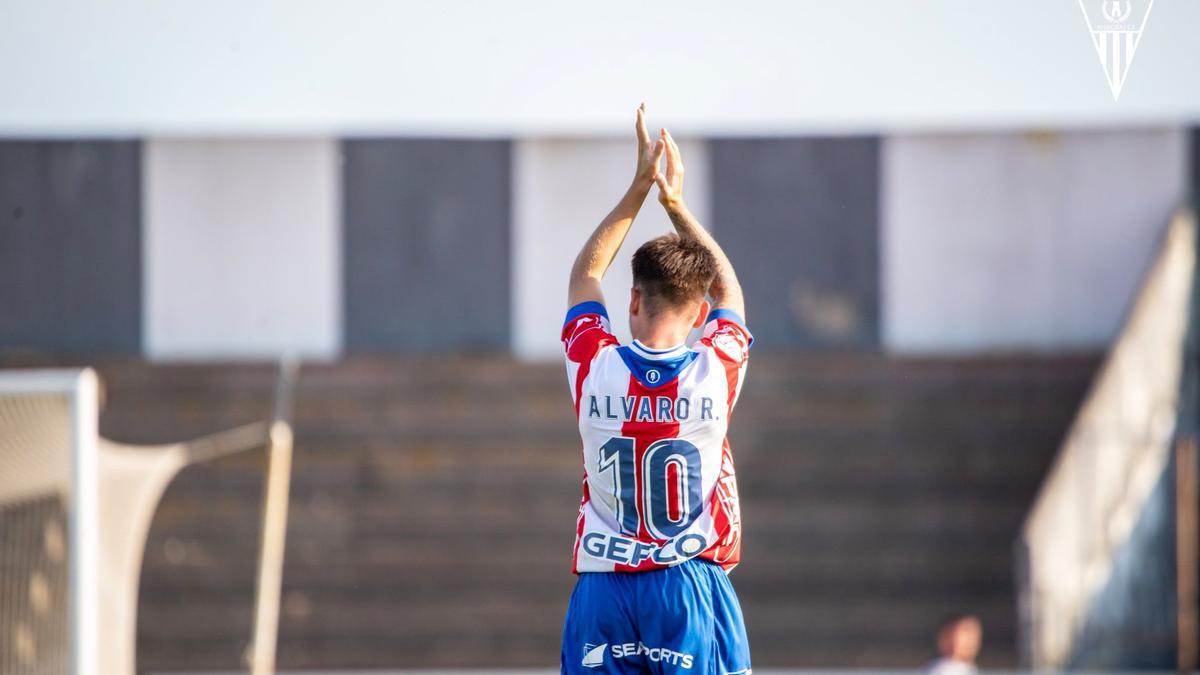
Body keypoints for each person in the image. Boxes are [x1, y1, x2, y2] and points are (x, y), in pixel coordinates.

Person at [558, 103, 753, 674]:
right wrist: (676, 204)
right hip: (687, 584)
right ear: (700, 315)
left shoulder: (594, 364)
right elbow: (729, 290)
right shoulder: (716, 367)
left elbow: (585, 275)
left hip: (604, 588)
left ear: (632, 300)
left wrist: (638, 188)